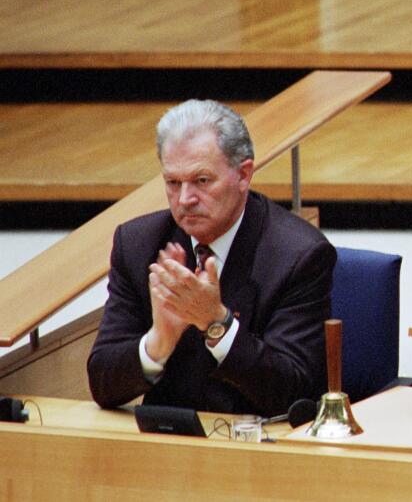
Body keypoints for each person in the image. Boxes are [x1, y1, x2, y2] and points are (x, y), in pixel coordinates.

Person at [87, 100, 335, 416]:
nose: (185, 199)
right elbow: (102, 384)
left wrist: (216, 322)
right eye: (173, 183)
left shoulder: (298, 255)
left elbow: (295, 391)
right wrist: (159, 341)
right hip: (165, 446)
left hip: (257, 448)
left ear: (243, 174)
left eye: (201, 181)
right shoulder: (137, 245)